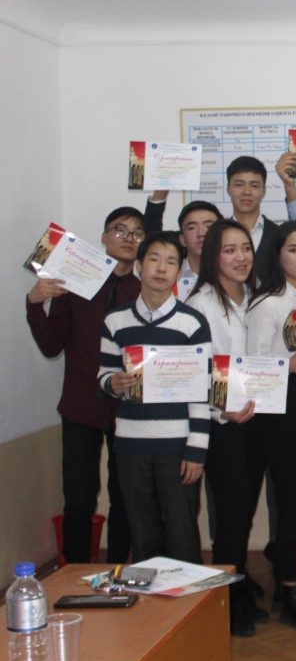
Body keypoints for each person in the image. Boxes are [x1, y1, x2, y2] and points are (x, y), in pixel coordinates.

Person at [26, 197, 165, 564]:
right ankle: (73, 573)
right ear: (103, 237)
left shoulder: (148, 291)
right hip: (80, 407)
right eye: (120, 230)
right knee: (79, 498)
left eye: (137, 233)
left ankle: (118, 569)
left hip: (130, 410)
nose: (129, 238)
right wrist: (35, 303)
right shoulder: (75, 282)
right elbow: (51, 345)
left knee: (126, 497)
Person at [97, 231, 211, 564]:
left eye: (171, 262)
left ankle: (187, 596)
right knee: (142, 532)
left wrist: (196, 451)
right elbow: (103, 375)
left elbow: (201, 391)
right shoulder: (115, 321)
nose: (161, 268)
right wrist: (113, 383)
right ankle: (149, 597)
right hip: (130, 444)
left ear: (178, 271)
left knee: (181, 531)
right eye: (154, 259)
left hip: (177, 445)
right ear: (139, 266)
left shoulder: (192, 323)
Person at [245, 222, 296, 632]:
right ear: (277, 256)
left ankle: (286, 580)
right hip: (279, 408)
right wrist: (292, 365)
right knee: (295, 500)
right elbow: (253, 368)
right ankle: (291, 590)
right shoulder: (268, 304)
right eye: (294, 249)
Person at [185, 220, 264, 637]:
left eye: (245, 249)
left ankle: (238, 584)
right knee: (231, 514)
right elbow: (198, 368)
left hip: (255, 420)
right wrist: (222, 410)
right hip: (222, 425)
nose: (240, 257)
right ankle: (225, 602)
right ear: (213, 256)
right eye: (230, 250)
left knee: (243, 510)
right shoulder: (200, 303)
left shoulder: (255, 296)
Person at [175, 201, 223, 300]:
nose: (201, 233)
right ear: (182, 240)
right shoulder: (170, 276)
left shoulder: (236, 273)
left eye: (209, 226)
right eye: (192, 228)